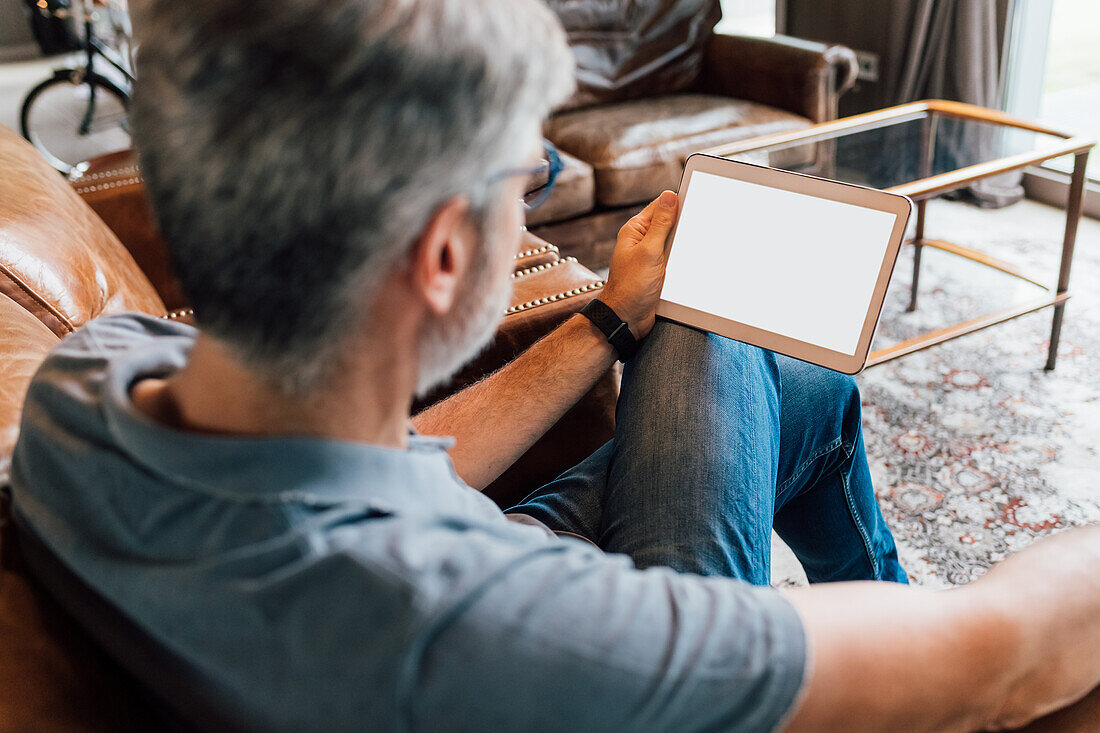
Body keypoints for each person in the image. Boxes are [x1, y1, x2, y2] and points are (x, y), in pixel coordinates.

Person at [10, 0, 1100, 730]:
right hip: (537, 635)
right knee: (742, 340)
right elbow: (1002, 654)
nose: (532, 183)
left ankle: (879, 596)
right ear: (442, 252)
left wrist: (609, 318)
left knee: (759, 359)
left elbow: (388, 472)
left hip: (458, 568)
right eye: (521, 174)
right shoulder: (475, 625)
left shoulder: (89, 383)